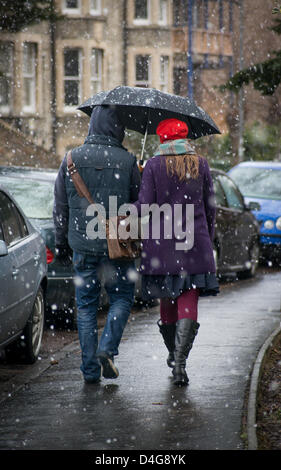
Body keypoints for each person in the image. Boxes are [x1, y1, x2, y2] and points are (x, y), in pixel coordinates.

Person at [53, 105, 141, 384]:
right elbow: (139, 206)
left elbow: (60, 206)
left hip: (83, 245)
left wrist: (61, 243)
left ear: (92, 126)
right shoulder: (127, 161)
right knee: (122, 299)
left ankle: (90, 369)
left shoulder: (71, 160)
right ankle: (107, 349)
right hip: (118, 247)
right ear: (118, 128)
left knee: (87, 307)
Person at [133, 118, 219, 386]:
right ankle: (180, 365)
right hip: (195, 242)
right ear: (185, 138)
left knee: (167, 299)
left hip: (162, 244)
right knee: (188, 298)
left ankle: (173, 353)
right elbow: (211, 206)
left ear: (162, 139)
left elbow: (144, 207)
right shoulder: (200, 164)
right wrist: (209, 236)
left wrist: (122, 212)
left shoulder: (153, 165)